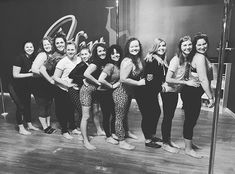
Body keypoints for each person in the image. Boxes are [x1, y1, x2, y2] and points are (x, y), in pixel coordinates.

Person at [159, 36, 200, 153]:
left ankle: (168, 140)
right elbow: (168, 79)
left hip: (175, 92)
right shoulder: (176, 60)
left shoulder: (189, 59)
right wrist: (186, 82)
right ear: (180, 47)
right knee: (167, 117)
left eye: (189, 44)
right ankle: (165, 143)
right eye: (184, 45)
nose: (187, 47)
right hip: (168, 92)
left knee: (170, 117)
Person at [180, 33, 214, 158]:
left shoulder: (201, 56)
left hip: (193, 93)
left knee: (192, 120)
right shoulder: (199, 57)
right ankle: (188, 149)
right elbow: (204, 79)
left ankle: (189, 144)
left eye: (204, 43)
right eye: (199, 44)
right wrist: (211, 97)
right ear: (195, 46)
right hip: (191, 93)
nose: (202, 46)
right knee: (190, 121)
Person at [113, 38, 145, 150]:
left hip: (129, 92)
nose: (135, 48)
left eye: (136, 46)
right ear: (128, 48)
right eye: (132, 47)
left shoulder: (137, 59)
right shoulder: (128, 61)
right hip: (121, 92)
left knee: (125, 115)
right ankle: (121, 141)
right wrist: (139, 83)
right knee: (119, 117)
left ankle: (126, 132)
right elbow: (123, 79)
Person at [80, 43, 107, 150]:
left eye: (104, 50)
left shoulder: (104, 62)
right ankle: (85, 141)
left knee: (96, 112)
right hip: (87, 90)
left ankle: (99, 130)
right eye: (100, 51)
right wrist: (98, 82)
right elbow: (86, 74)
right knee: (86, 116)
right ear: (96, 53)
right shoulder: (95, 62)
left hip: (95, 91)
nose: (102, 53)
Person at [53, 41, 81, 139]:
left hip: (73, 90)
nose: (70, 51)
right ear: (65, 50)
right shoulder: (63, 61)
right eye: (68, 49)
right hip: (62, 90)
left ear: (76, 50)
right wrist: (68, 84)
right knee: (63, 111)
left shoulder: (79, 60)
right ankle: (64, 131)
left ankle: (73, 127)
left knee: (71, 110)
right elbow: (55, 77)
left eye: (72, 49)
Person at [11, 41, 39, 135]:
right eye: (27, 47)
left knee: (27, 105)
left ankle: (29, 124)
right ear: (24, 48)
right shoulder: (19, 58)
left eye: (31, 47)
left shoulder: (32, 58)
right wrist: (31, 74)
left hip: (25, 87)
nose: (29, 48)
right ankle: (21, 128)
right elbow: (15, 75)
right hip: (14, 87)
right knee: (21, 106)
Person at [98, 44, 123, 145]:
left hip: (110, 93)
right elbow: (100, 79)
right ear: (110, 55)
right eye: (113, 53)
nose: (115, 55)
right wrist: (112, 86)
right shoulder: (110, 65)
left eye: (117, 53)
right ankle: (108, 136)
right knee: (106, 115)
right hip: (104, 93)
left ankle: (112, 133)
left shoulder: (117, 64)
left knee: (114, 114)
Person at [31, 37, 56, 134]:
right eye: (45, 45)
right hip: (39, 85)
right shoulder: (42, 55)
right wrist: (46, 75)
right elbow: (33, 69)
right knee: (42, 106)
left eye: (48, 44)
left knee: (48, 105)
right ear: (43, 46)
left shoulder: (52, 55)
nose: (47, 46)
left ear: (52, 44)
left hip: (48, 85)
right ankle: (45, 128)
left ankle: (49, 125)